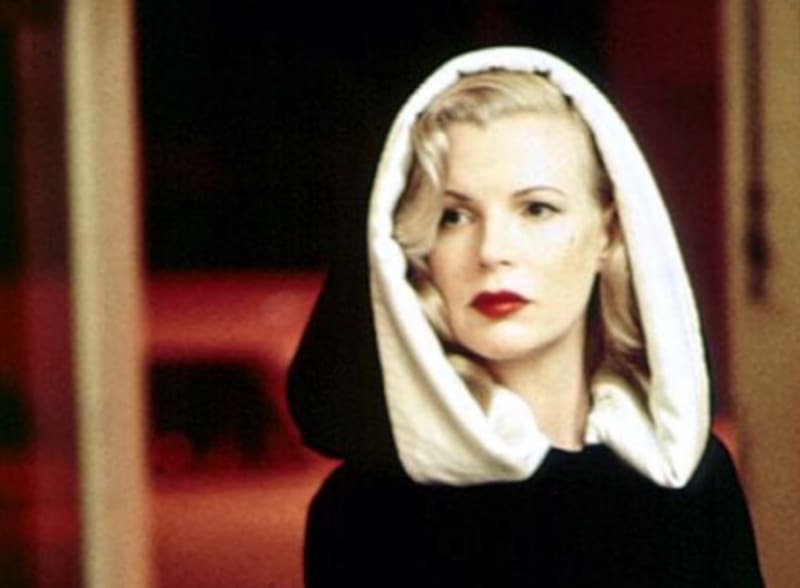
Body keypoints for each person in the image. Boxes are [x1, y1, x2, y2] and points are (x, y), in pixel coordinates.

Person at [288, 47, 763, 587]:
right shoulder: (367, 511)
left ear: (609, 232)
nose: (492, 250)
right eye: (454, 216)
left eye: (537, 208)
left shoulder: (691, 480)